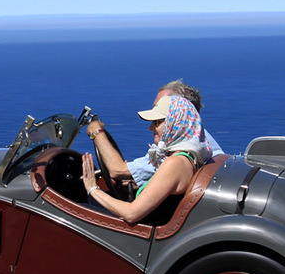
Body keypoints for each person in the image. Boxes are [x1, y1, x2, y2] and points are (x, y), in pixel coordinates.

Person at [80, 94, 207, 225]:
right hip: (146, 224)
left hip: (141, 231)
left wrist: (92, 188)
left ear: (176, 123)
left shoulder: (175, 163)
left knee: (76, 205)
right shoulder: (189, 158)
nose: (150, 127)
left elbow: (131, 214)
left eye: (157, 122)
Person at [85, 80, 221, 193]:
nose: (152, 123)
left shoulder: (178, 153)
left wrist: (96, 131)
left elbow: (117, 170)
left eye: (160, 109)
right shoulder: (200, 141)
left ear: (178, 112)